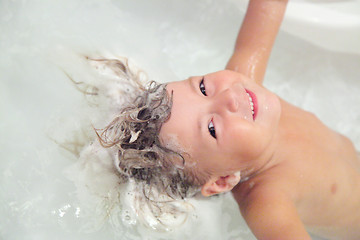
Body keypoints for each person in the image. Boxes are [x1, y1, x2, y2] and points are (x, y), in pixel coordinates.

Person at [95, 0, 360, 239]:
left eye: (202, 88)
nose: (228, 99)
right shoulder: (268, 204)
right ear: (223, 181)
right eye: (212, 128)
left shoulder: (246, 87)